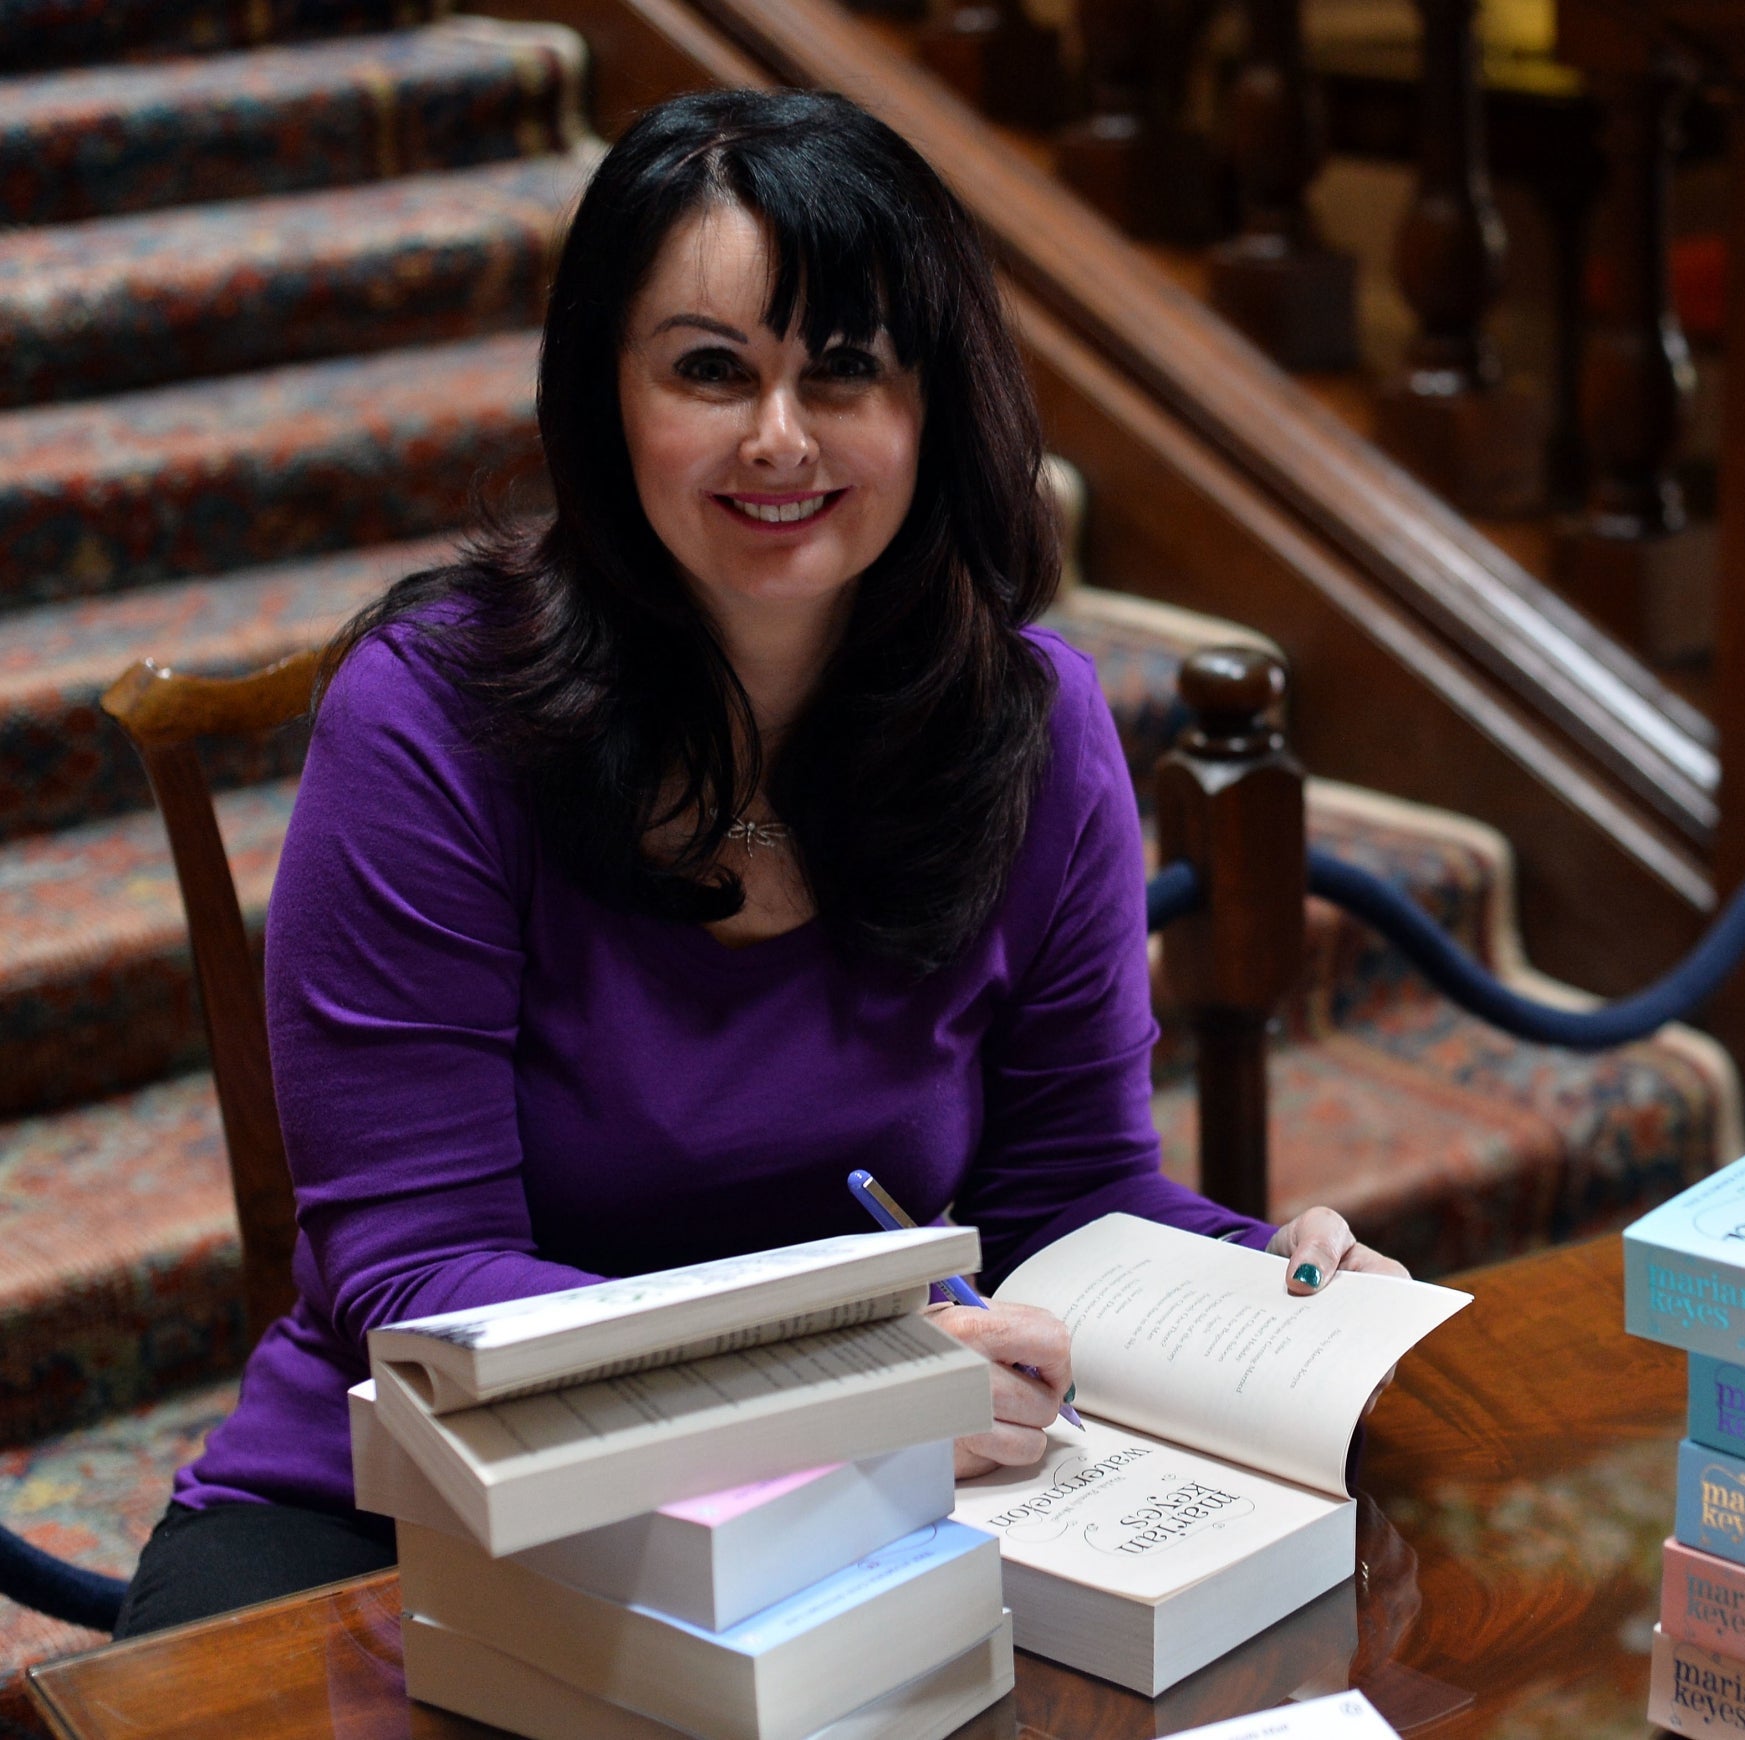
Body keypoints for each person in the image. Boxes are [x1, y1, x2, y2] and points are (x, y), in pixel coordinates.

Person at [116, 86, 1405, 1638]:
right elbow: (416, 1274)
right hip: (413, 1503)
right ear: (608, 399)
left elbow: (1069, 1196)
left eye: (845, 371)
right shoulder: (430, 716)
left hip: (864, 1515)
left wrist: (1270, 1284)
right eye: (713, 371)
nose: (780, 439)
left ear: (933, 406)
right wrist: (844, 1392)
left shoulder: (1032, 722)